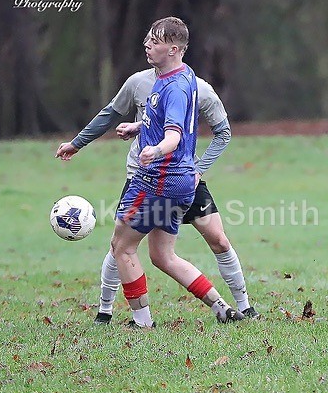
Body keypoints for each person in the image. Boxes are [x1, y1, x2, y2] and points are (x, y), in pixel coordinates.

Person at [56, 32, 258, 324]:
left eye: (154, 41)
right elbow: (130, 115)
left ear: (173, 49)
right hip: (161, 178)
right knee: (156, 254)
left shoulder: (192, 87)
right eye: (147, 40)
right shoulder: (153, 81)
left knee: (127, 245)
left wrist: (181, 160)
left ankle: (146, 322)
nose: (147, 45)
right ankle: (107, 311)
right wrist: (133, 129)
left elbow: (189, 133)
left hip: (163, 176)